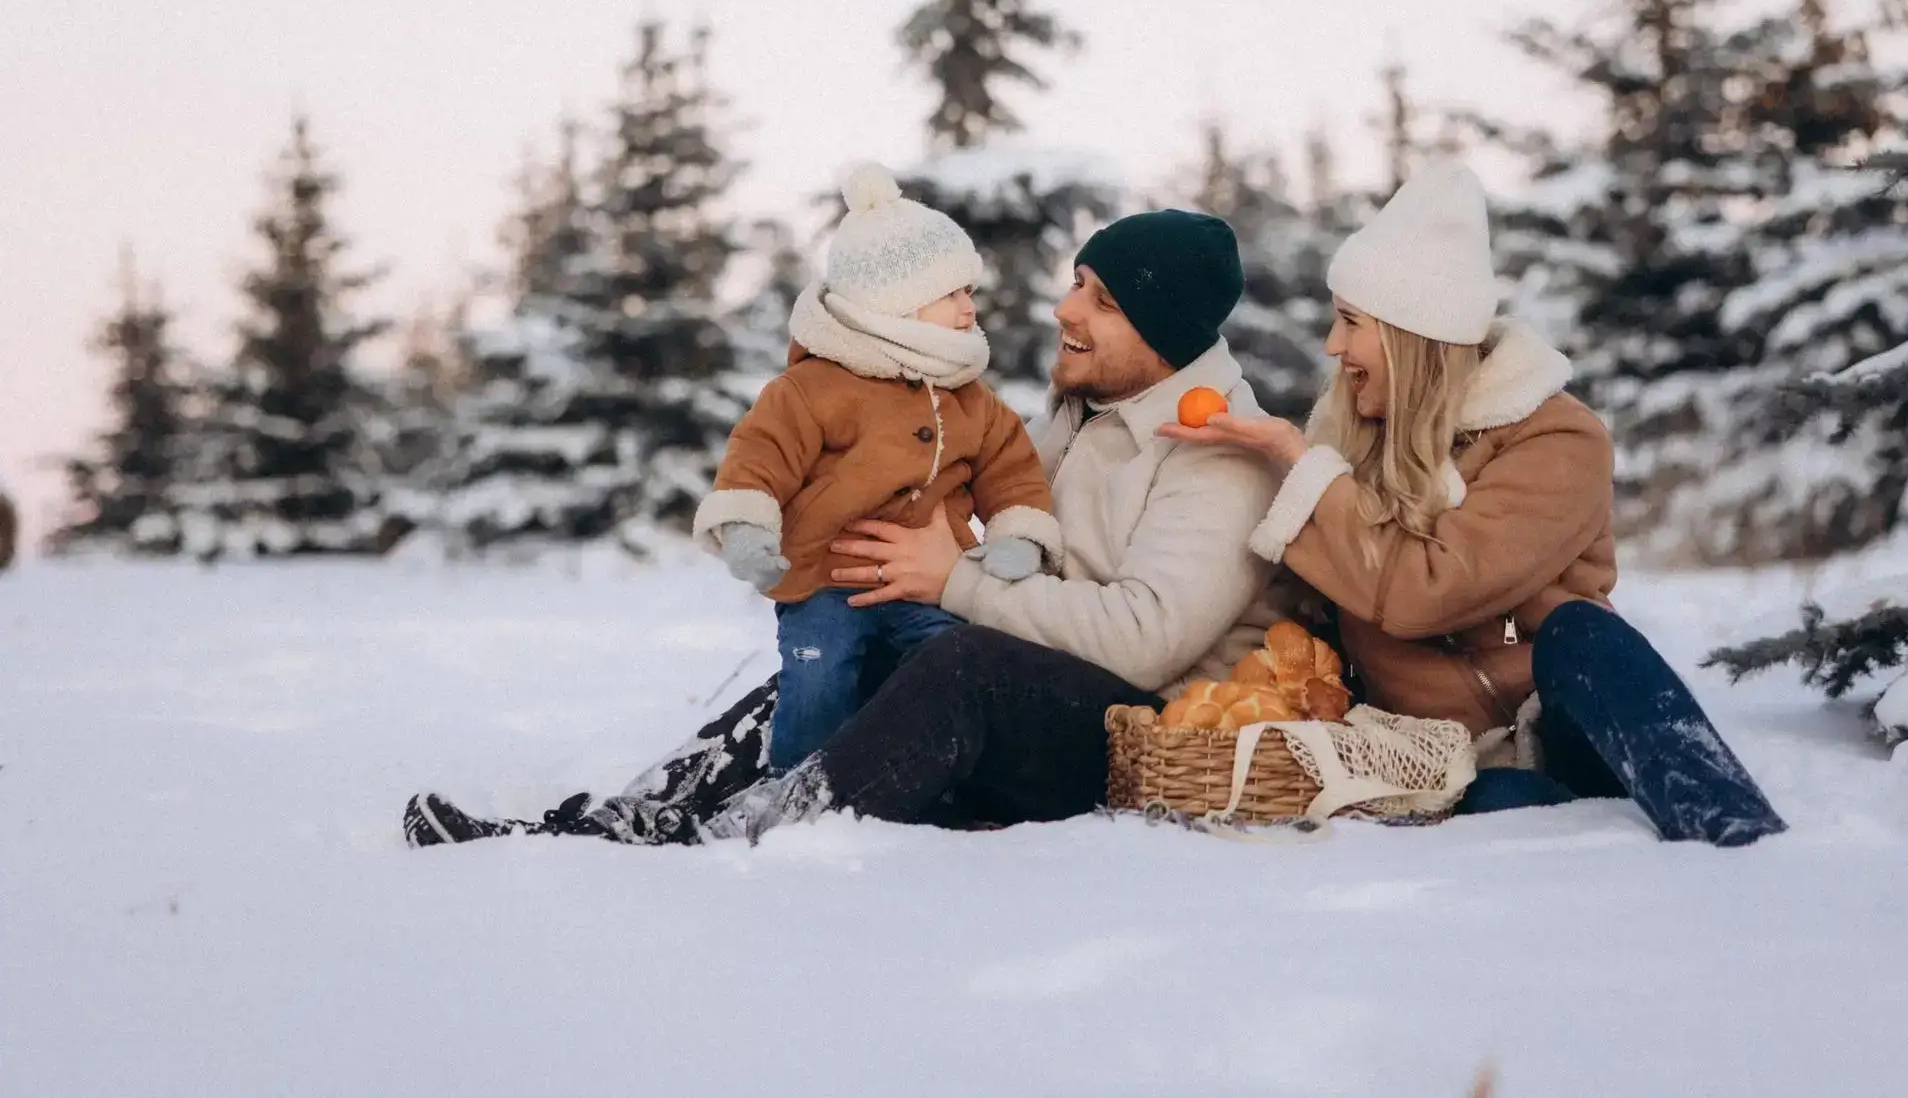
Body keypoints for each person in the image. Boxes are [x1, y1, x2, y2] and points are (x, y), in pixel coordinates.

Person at [404, 206, 1283, 847]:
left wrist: (953, 578)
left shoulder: (1218, 453)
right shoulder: (1083, 411)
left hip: (1134, 735)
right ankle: (634, 817)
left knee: (956, 659)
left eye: (1099, 298)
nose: (1064, 309)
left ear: (1159, 328)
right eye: (1075, 283)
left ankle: (764, 832)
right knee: (844, 639)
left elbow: (1145, 641)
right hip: (1033, 677)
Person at [1157, 162, 1786, 847]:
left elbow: (1431, 588)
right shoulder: (1347, 437)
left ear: (1408, 336)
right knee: (1505, 799)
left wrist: (1299, 465)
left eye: (1350, 323)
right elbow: (1300, 612)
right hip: (1444, 757)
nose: (1333, 346)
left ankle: (1737, 837)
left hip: (1564, 721)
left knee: (1581, 631)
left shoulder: (1557, 439)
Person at [690, 163, 1061, 772]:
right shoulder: (812, 388)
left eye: (971, 293)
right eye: (953, 294)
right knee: (822, 674)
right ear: (898, 303)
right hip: (824, 580)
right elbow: (761, 457)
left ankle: (943, 779)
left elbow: (1012, 473)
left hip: (926, 582)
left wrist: (1017, 536)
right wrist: (748, 527)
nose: (971, 309)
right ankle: (798, 788)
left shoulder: (971, 398)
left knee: (952, 661)